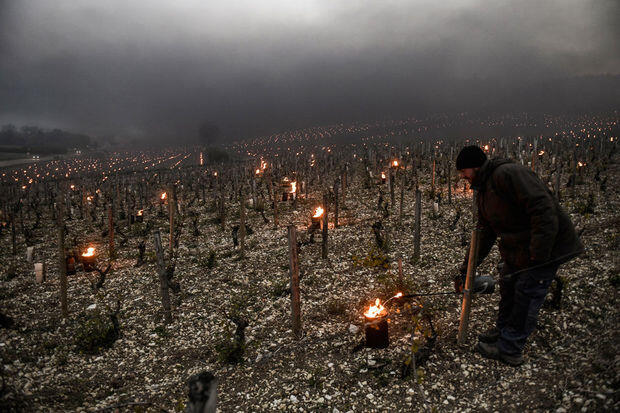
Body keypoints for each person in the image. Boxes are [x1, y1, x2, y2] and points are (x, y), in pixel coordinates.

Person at [454, 145, 583, 366]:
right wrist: (467, 269)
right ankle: (504, 331)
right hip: (519, 249)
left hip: (546, 247)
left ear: (474, 167)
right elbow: (484, 234)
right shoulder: (484, 189)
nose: (462, 177)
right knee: (509, 286)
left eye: (463, 171)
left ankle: (510, 349)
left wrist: (538, 254)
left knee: (527, 294)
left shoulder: (509, 174)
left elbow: (543, 210)